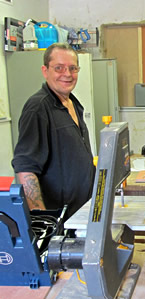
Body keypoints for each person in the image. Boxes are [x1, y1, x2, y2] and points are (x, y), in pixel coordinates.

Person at [12, 43, 95, 221]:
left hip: (80, 213)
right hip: (59, 219)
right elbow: (26, 168)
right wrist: (44, 221)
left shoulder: (73, 103)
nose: (67, 74)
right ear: (45, 70)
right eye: (59, 68)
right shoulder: (38, 108)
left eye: (73, 68)